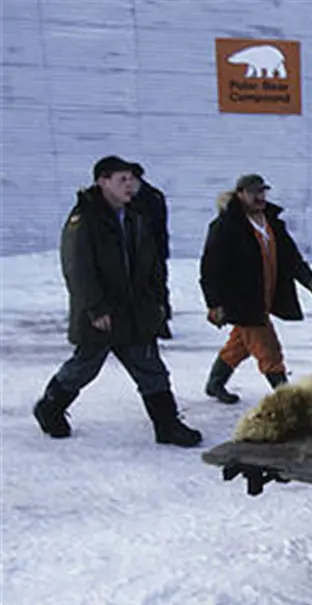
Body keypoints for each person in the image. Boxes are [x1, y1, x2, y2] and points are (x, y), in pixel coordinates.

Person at [32, 155, 202, 447]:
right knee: (84, 366)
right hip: (103, 311)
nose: (130, 185)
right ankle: (50, 407)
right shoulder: (84, 219)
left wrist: (159, 301)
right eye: (122, 179)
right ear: (102, 181)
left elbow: (152, 264)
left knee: (151, 367)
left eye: (132, 179)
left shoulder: (136, 217)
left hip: (136, 311)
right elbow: (78, 268)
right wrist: (95, 308)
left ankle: (167, 425)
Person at [199, 174, 312, 404]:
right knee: (268, 348)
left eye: (262, 191)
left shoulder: (272, 222)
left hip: (266, 297)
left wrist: (309, 280)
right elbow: (210, 268)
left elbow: (290, 256)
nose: (260, 197)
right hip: (242, 299)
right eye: (254, 192)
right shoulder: (226, 226)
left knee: (240, 344)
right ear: (240, 194)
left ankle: (215, 384)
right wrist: (214, 303)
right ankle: (285, 396)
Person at [129, 163, 173, 338]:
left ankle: (161, 322)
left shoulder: (152, 196)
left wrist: (160, 252)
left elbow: (159, 227)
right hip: (134, 251)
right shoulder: (125, 197)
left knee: (157, 287)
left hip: (152, 250)